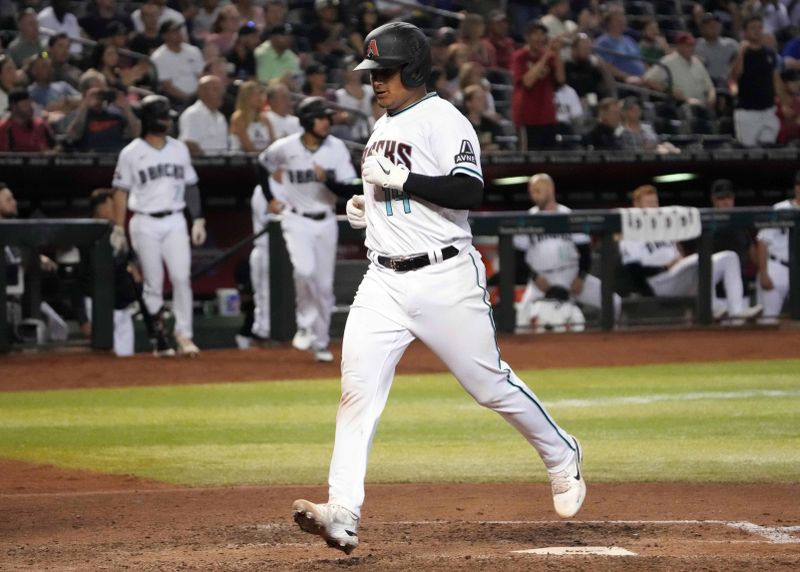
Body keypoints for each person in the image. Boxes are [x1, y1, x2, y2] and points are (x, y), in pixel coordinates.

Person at [291, 21, 586, 556]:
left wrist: (401, 185)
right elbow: (395, 192)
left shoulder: (444, 118)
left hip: (444, 276)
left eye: (385, 71)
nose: (375, 81)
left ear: (415, 70)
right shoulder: (381, 126)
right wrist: (370, 209)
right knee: (357, 393)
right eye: (371, 72)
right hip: (382, 280)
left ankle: (562, 453)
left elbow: (468, 188)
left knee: (489, 386)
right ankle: (342, 511)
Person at [256, 96, 358, 362]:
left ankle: (321, 342)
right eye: (321, 117)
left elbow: (349, 188)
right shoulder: (286, 147)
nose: (326, 122)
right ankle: (304, 324)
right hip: (296, 218)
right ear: (307, 120)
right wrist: (270, 198)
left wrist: (330, 180)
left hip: (325, 219)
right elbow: (261, 164)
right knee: (304, 270)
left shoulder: (336, 148)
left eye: (327, 117)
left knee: (324, 286)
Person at [111, 95, 207, 357]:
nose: (167, 122)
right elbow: (119, 192)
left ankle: (184, 335)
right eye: (163, 117)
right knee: (153, 283)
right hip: (144, 221)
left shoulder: (179, 149)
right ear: (150, 119)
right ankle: (159, 335)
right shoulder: (131, 152)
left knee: (181, 278)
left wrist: (197, 218)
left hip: (175, 220)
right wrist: (118, 227)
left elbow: (191, 185)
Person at [619, 185, 762, 322]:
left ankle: (735, 311)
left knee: (729, 257)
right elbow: (633, 270)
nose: (654, 207)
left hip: (679, 277)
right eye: (649, 203)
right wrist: (665, 267)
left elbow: (677, 254)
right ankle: (715, 307)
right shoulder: (629, 233)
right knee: (701, 260)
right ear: (636, 205)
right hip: (659, 282)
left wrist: (679, 259)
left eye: (655, 202)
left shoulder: (663, 227)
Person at [514, 174, 621, 329]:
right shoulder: (528, 219)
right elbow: (518, 257)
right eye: (532, 192)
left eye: (538, 190)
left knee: (614, 301)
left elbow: (585, 252)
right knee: (521, 321)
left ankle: (610, 339)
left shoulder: (568, 215)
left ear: (550, 190)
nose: (534, 195)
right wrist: (535, 277)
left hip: (571, 275)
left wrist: (581, 277)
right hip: (542, 279)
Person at [730, 15, 782, 147]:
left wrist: (783, 102)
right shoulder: (740, 52)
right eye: (752, 28)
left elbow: (775, 78)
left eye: (759, 27)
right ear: (745, 31)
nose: (757, 31)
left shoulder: (769, 53)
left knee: (768, 149)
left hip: (769, 110)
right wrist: (742, 51)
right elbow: (735, 75)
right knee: (749, 153)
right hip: (748, 112)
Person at [511, 20, 564, 149]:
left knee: (549, 158)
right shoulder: (520, 56)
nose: (539, 38)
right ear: (527, 37)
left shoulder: (551, 57)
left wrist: (557, 54)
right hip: (527, 117)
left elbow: (561, 79)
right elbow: (528, 82)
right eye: (535, 34)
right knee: (528, 160)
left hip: (547, 116)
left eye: (542, 34)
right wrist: (546, 55)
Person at [756, 170, 800, 324]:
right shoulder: (780, 208)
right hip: (777, 266)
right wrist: (763, 273)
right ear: (795, 188)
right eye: (799, 184)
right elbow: (762, 241)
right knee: (769, 319)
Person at [64, 69, 141, 152]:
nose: (101, 92)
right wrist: (85, 106)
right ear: (85, 93)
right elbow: (73, 136)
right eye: (97, 89)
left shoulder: (117, 113)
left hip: (115, 158)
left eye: (103, 87)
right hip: (90, 159)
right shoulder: (77, 115)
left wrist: (126, 109)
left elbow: (135, 134)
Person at [643, 32, 716, 111]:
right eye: (687, 45)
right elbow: (648, 79)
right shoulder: (669, 61)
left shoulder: (697, 62)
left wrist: (711, 98)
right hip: (681, 106)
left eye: (692, 45)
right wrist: (669, 90)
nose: (691, 48)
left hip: (703, 105)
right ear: (679, 46)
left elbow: (710, 86)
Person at [151, 20, 204, 107]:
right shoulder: (158, 57)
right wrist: (188, 99)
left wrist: (200, 95)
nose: (179, 34)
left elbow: (201, 76)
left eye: (179, 30)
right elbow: (167, 86)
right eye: (174, 32)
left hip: (198, 96)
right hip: (176, 100)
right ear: (165, 36)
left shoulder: (194, 51)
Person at [178, 75, 228, 155]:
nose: (221, 93)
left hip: (223, 164)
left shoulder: (221, 117)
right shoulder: (193, 114)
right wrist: (211, 163)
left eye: (221, 90)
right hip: (202, 165)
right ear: (202, 92)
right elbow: (190, 144)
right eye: (216, 90)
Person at [695, 12, 739, 87]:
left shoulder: (731, 44)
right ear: (703, 28)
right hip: (704, 85)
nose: (713, 27)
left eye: (716, 24)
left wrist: (732, 69)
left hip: (725, 84)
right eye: (709, 25)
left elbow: (741, 54)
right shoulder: (696, 45)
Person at [229, 80, 274, 152]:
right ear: (246, 97)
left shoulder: (265, 118)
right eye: (256, 95)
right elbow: (247, 147)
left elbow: (273, 142)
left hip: (263, 158)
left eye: (261, 94)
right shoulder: (238, 118)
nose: (260, 98)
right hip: (241, 160)